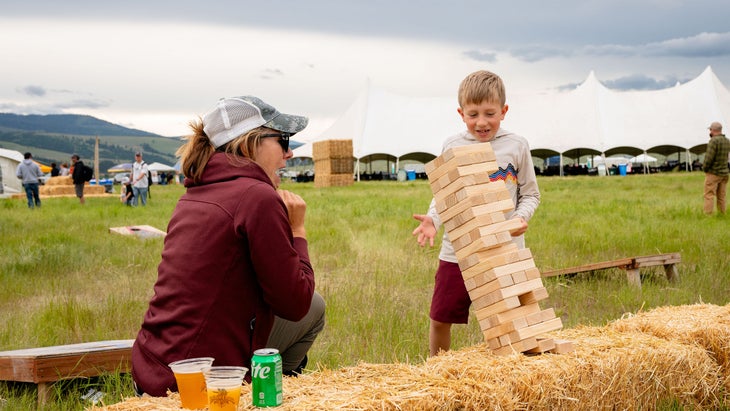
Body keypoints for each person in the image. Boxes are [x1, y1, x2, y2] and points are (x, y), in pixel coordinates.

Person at [131, 95, 325, 397]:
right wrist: (297, 230)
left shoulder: (193, 194)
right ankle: (268, 395)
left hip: (154, 366)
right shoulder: (256, 196)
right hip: (196, 382)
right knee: (314, 306)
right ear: (250, 143)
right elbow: (295, 303)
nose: (288, 154)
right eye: (283, 141)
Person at [412, 70, 540, 356]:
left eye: (489, 113)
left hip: (504, 249)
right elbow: (445, 195)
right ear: (461, 113)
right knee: (441, 317)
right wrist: (433, 219)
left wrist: (521, 217)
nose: (481, 122)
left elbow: (531, 194)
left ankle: (521, 371)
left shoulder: (516, 145)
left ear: (504, 111)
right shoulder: (453, 145)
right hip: (457, 251)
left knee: (513, 317)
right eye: (473, 114)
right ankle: (438, 372)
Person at [702, 121, 730, 215]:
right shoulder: (727, 141)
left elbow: (709, 158)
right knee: (721, 196)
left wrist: (705, 168)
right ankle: (722, 214)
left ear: (713, 130)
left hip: (714, 173)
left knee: (709, 195)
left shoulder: (713, 141)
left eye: (710, 129)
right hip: (725, 173)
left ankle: (708, 215)